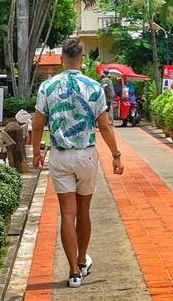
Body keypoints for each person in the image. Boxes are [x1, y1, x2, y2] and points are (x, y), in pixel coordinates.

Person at [32, 38, 124, 288]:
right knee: (83, 211)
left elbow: (38, 125)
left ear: (62, 59)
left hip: (60, 156)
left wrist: (36, 153)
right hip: (86, 155)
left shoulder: (47, 87)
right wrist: (116, 155)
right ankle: (82, 260)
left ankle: (73, 272)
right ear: (82, 59)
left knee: (67, 213)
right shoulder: (93, 87)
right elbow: (104, 126)